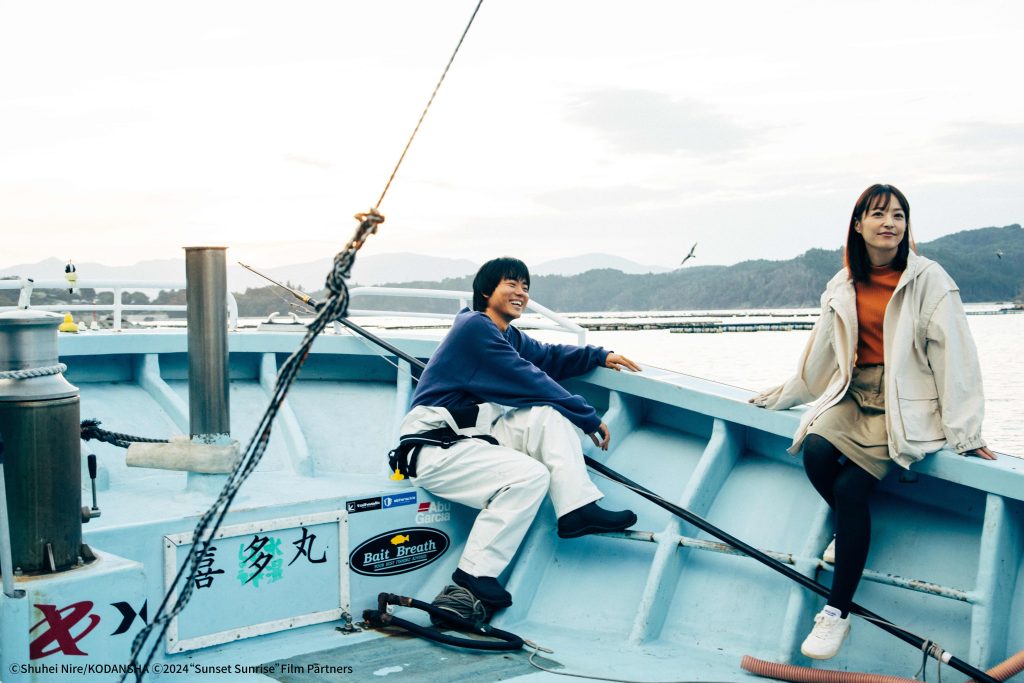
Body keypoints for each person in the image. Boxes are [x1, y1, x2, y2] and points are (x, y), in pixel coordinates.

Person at [749, 184, 995, 660]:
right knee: (815, 449)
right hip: (855, 391)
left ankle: (836, 613)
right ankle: (851, 528)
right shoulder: (843, 283)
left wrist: (966, 434)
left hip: (906, 402)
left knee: (850, 489)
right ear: (858, 225)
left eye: (898, 216)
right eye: (878, 214)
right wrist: (788, 394)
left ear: (907, 226)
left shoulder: (930, 279)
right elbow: (821, 353)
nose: (889, 223)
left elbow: (958, 358)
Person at [392, 256, 641, 614]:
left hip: (474, 438)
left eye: (525, 287)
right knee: (530, 475)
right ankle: (472, 575)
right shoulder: (474, 328)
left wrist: (600, 355)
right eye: (511, 284)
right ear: (485, 291)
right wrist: (586, 415)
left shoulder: (506, 335)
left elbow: (549, 357)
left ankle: (577, 508)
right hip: (434, 447)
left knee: (546, 417)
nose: (521, 293)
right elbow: (528, 377)